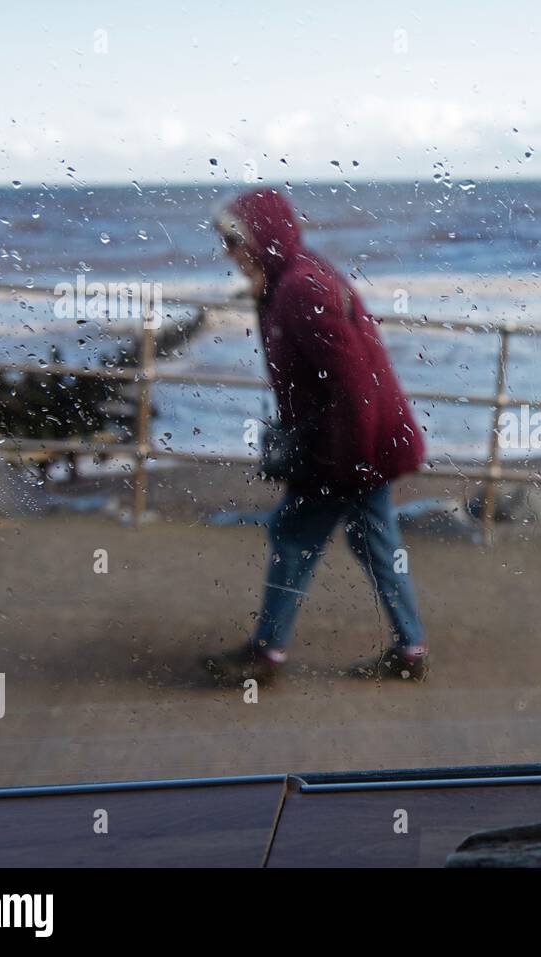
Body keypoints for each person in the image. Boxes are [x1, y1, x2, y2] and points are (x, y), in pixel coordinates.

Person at [206, 189, 430, 682]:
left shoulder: (301, 288)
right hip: (356, 446)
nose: (229, 254)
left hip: (351, 449)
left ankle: (267, 655)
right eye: (225, 242)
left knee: (292, 535)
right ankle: (410, 651)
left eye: (234, 241)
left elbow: (355, 388)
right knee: (373, 543)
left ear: (262, 237)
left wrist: (345, 467)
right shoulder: (286, 279)